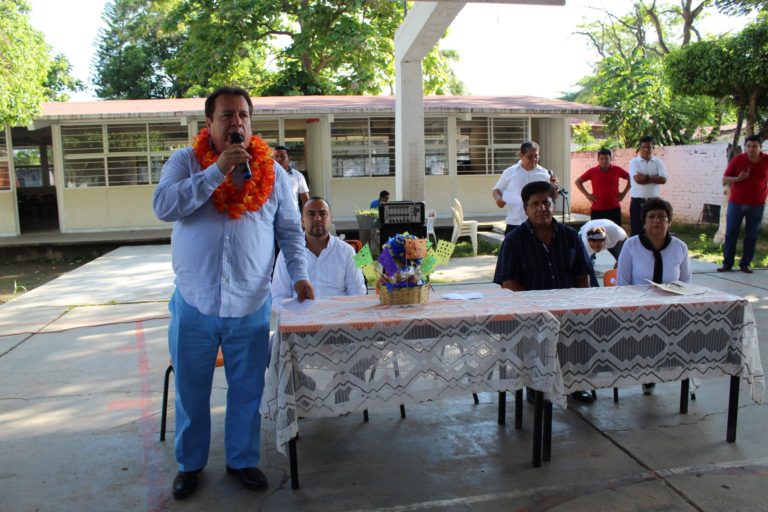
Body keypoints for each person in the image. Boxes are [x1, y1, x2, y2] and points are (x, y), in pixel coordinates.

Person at [152, 86, 314, 500]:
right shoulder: (185, 162)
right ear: (208, 124)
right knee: (191, 392)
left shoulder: (273, 173)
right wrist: (215, 172)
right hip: (194, 302)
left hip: (250, 304)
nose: (236, 122)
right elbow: (164, 205)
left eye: (242, 114)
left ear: (250, 121)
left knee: (247, 391)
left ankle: (242, 460)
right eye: (226, 115)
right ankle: (190, 464)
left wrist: (299, 275)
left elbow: (291, 233)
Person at [493, 180, 593, 403]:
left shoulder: (570, 236)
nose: (541, 209)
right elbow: (507, 282)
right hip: (532, 313)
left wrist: (580, 304)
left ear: (554, 204)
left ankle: (575, 385)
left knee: (577, 337)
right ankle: (536, 387)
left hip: (568, 308)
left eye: (546, 203)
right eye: (535, 204)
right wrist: (537, 306)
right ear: (525, 208)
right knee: (535, 344)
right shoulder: (513, 241)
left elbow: (582, 274)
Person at [617, 198, 690, 395]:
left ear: (670, 222)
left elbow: (684, 283)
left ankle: (679, 372)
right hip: (637, 307)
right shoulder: (631, 245)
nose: (656, 221)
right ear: (644, 222)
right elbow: (622, 284)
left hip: (669, 307)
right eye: (651, 216)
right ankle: (646, 374)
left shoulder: (680, 247)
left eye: (662, 217)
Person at [272, 196, 366, 304]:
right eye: (311, 214)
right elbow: (279, 295)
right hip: (301, 317)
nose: (317, 218)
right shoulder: (288, 253)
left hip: (338, 316)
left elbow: (357, 292)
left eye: (323, 214)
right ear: (302, 220)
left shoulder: (347, 251)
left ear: (331, 219)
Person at [718, 135, 768, 274]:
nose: (752, 149)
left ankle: (745, 264)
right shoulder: (738, 159)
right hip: (736, 203)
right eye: (749, 146)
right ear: (745, 147)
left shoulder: (766, 160)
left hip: (757, 204)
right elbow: (725, 178)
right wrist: (739, 178)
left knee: (751, 235)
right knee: (731, 233)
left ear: (760, 147)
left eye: (755, 146)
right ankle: (727, 263)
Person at [492, 141, 560, 234]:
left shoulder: (544, 174)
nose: (534, 159)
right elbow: (497, 189)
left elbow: (553, 197)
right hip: (515, 222)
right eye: (530, 156)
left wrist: (555, 187)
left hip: (538, 224)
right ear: (521, 155)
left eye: (536, 156)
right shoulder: (510, 172)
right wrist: (499, 199)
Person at [574, 148, 631, 227]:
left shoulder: (617, 170)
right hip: (597, 209)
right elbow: (578, 182)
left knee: (616, 234)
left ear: (611, 159)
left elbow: (631, 179)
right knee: (597, 234)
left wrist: (624, 193)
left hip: (614, 208)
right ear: (598, 159)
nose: (604, 161)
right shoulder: (592, 171)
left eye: (607, 158)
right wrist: (587, 195)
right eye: (602, 159)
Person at [628, 136, 668, 237]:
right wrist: (655, 178)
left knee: (653, 230)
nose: (646, 149)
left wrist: (645, 178)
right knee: (637, 231)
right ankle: (636, 252)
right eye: (643, 147)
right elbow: (638, 180)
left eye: (649, 147)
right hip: (638, 202)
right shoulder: (634, 162)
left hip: (654, 201)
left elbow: (663, 180)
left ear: (653, 148)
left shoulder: (658, 162)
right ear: (639, 148)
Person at [578, 219, 628, 287]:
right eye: (593, 246)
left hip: (610, 229)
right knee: (588, 268)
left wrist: (620, 259)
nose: (596, 249)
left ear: (604, 240)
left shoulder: (616, 233)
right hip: (587, 228)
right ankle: (594, 288)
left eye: (598, 246)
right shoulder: (585, 244)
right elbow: (585, 270)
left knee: (624, 261)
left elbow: (627, 244)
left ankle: (622, 284)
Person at [273, 145, 310, 211]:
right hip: (273, 217)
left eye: (282, 156)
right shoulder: (268, 176)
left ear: (289, 158)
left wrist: (305, 217)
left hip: (292, 217)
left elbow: (306, 200)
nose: (279, 159)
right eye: (276, 156)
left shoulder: (298, 176)